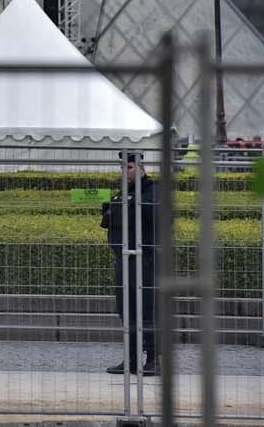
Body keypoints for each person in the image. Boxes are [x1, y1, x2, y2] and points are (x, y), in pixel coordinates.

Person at [101, 151, 157, 376]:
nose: (125, 171)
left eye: (130, 167)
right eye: (123, 167)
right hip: (123, 260)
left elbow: (155, 220)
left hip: (144, 260)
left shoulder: (152, 191)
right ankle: (132, 358)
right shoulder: (121, 194)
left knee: (147, 310)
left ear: (142, 169)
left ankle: (153, 358)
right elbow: (107, 220)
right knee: (126, 310)